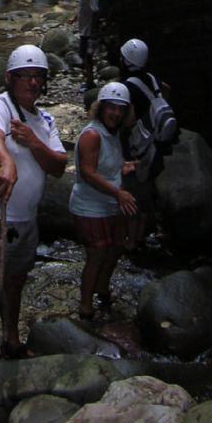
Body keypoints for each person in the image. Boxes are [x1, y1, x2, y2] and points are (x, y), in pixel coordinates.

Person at [0, 44, 67, 359]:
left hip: (25, 218)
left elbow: (58, 165)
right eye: (24, 76)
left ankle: (11, 338)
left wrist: (33, 142)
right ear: (10, 78)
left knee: (14, 281)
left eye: (38, 76)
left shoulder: (45, 120)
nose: (32, 82)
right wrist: (6, 162)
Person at [69, 82, 137, 319]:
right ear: (101, 108)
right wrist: (118, 193)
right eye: (111, 108)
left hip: (110, 204)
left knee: (115, 249)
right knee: (97, 255)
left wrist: (124, 168)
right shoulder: (92, 135)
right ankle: (85, 306)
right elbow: (88, 173)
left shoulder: (113, 133)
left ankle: (102, 288)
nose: (115, 113)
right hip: (90, 207)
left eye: (120, 109)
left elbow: (106, 166)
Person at [118, 37, 178, 249]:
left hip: (140, 146)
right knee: (147, 189)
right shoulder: (151, 77)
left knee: (133, 192)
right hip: (158, 141)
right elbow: (166, 90)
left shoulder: (128, 87)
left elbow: (127, 120)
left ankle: (132, 240)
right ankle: (143, 234)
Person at [74, 0, 100, 90]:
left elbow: (95, 12)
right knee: (85, 56)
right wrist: (74, 18)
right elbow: (82, 8)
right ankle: (88, 80)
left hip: (89, 32)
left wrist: (94, 32)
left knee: (88, 57)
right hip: (84, 30)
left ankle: (90, 83)